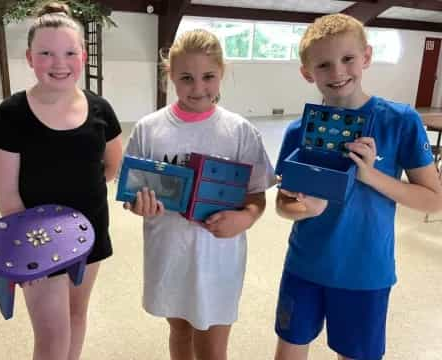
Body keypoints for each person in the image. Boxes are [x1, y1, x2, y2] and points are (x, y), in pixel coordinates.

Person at [274, 13, 442, 360]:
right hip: (304, 265)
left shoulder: (401, 121)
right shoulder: (298, 131)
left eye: (347, 59)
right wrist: (305, 207)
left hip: (365, 271)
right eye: (323, 65)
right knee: (289, 351)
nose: (337, 73)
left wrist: (372, 175)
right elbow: (282, 204)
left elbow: (433, 200)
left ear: (366, 57)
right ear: (307, 73)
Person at [123, 29, 274, 360]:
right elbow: (131, 194)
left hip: (218, 258)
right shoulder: (149, 130)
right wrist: (139, 206)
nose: (198, 88)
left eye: (208, 77)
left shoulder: (239, 132)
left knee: (210, 347)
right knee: (179, 331)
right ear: (170, 77)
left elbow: (257, 194)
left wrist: (245, 217)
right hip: (169, 253)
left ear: (222, 74)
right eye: (186, 78)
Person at [0, 2, 123, 359]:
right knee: (50, 335)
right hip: (36, 240)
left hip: (89, 230)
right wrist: (33, 247)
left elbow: (111, 168)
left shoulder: (101, 110)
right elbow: (6, 194)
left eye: (69, 52)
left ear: (83, 56)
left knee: (76, 315)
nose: (59, 63)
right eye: (46, 53)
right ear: (30, 58)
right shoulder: (11, 114)